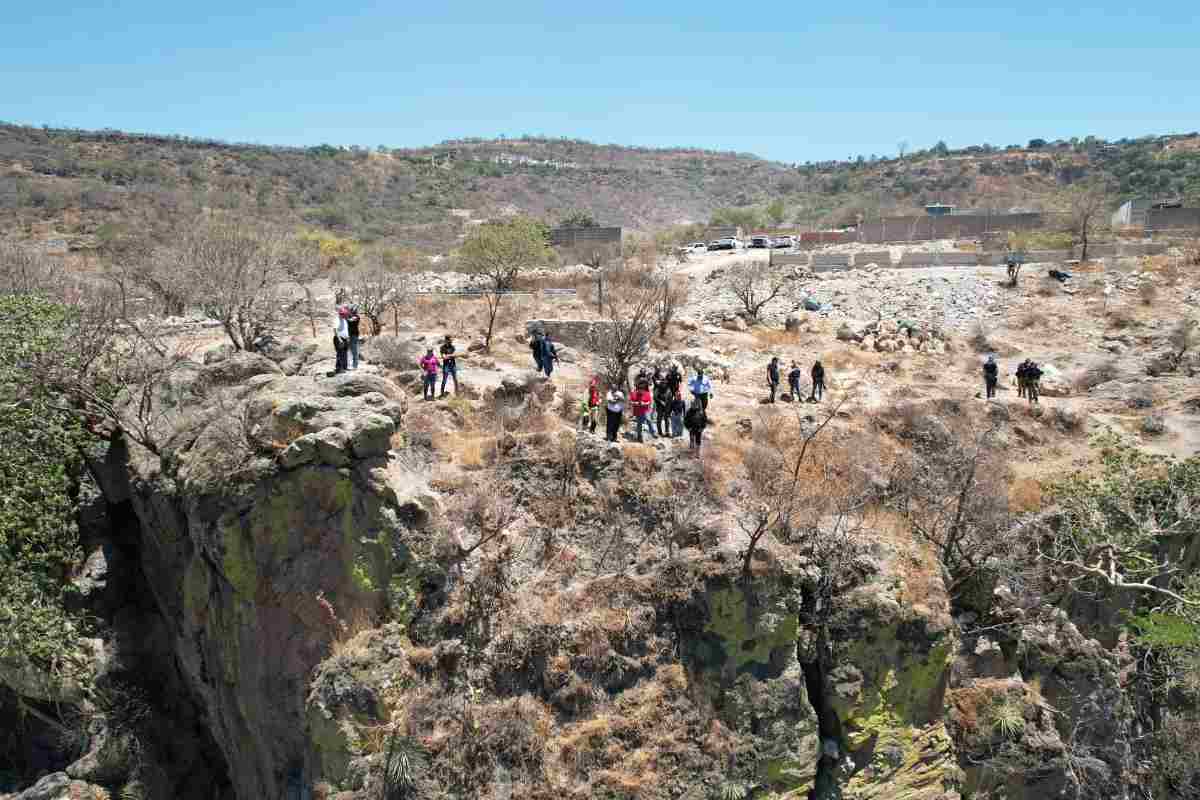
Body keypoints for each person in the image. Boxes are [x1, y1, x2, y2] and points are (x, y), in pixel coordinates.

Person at [333, 306, 350, 373]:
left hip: (345, 339)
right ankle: (339, 368)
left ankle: (344, 367)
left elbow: (346, 330)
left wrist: (348, 338)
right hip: (339, 339)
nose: (344, 315)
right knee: (340, 353)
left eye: (345, 314)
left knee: (345, 353)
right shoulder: (337, 319)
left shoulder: (344, 320)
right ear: (340, 313)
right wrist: (339, 339)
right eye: (343, 314)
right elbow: (335, 329)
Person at [346, 304, 362, 370]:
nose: (350, 310)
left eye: (351, 309)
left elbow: (350, 320)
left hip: (354, 335)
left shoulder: (357, 317)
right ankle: (348, 365)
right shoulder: (349, 316)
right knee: (348, 350)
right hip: (349, 335)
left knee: (354, 350)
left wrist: (346, 316)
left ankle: (355, 366)